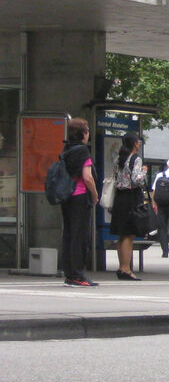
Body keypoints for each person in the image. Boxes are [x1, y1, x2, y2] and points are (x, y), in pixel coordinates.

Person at [60, 117, 98, 287]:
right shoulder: (82, 150)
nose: (88, 134)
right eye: (88, 130)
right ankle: (77, 274)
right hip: (80, 197)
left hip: (67, 197)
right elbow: (87, 177)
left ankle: (70, 273)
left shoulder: (67, 148)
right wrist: (95, 195)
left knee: (69, 235)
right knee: (80, 236)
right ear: (83, 133)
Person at [108, 131, 148, 280]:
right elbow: (137, 180)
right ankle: (126, 269)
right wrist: (144, 172)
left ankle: (122, 266)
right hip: (131, 198)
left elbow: (115, 176)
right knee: (129, 235)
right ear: (135, 144)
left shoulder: (119, 159)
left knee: (122, 234)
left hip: (120, 198)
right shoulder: (136, 159)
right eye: (137, 141)